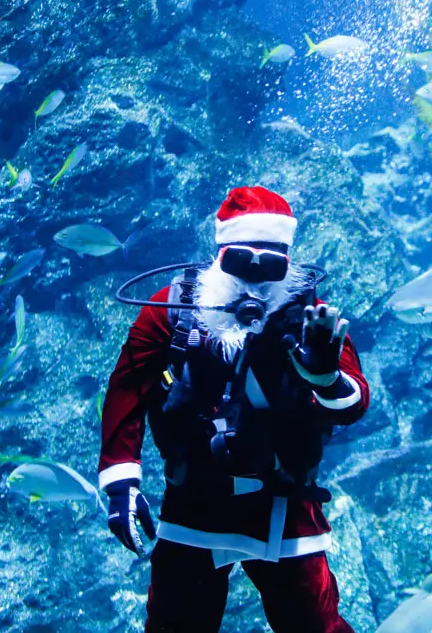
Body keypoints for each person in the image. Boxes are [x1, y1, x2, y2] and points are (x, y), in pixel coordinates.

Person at [98, 186, 369, 633]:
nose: (254, 283)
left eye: (270, 266)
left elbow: (355, 399)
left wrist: (325, 376)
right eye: (243, 263)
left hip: (285, 501)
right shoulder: (171, 310)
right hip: (195, 502)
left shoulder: (312, 319)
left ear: (288, 263)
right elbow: (128, 384)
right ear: (220, 253)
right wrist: (120, 483)